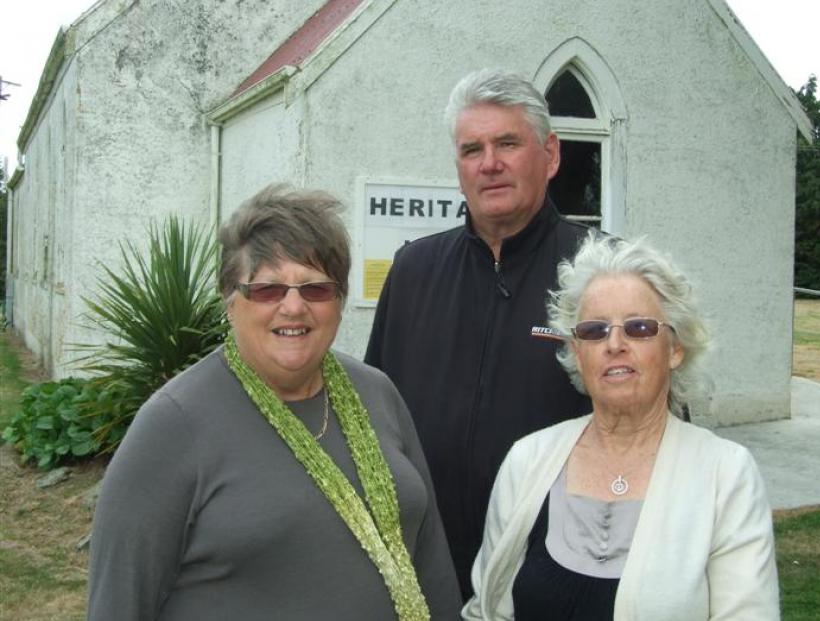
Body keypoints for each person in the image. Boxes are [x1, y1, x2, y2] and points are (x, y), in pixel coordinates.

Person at [88, 185, 461, 620]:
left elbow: (430, 558)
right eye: (268, 290)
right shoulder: (174, 424)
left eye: (315, 288)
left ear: (338, 302)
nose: (293, 307)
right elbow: (119, 603)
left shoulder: (377, 393)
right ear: (230, 301)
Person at [463, 233, 779, 620]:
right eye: (595, 330)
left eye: (639, 328)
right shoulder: (527, 460)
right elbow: (486, 611)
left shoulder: (726, 475)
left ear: (675, 349)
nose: (614, 343)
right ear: (578, 354)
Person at [365, 68, 592, 597]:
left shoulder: (603, 273)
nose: (489, 163)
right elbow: (373, 421)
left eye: (507, 143)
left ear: (551, 154)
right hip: (427, 573)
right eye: (472, 149)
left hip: (555, 574)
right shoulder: (414, 272)